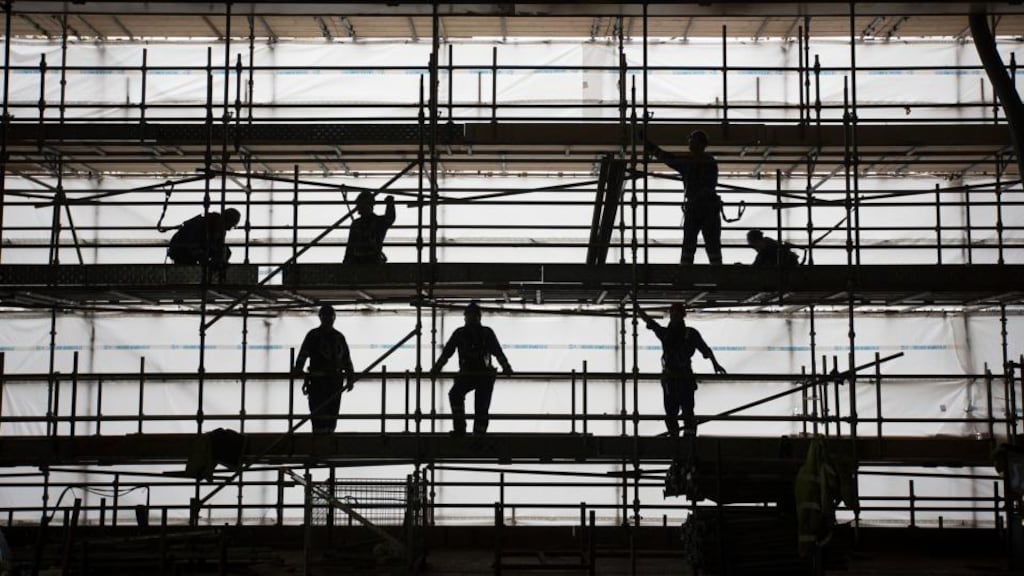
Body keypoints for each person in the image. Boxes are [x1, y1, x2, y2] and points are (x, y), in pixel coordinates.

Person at [638, 302, 726, 436]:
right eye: (673, 314)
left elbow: (705, 350)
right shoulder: (684, 333)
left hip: (677, 379)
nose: (674, 317)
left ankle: (683, 442)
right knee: (678, 413)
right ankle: (684, 443)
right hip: (679, 379)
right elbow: (706, 350)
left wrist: (715, 363)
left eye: (676, 314)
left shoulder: (676, 334)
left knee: (681, 413)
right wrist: (715, 363)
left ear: (681, 316)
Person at [432, 302, 513, 435]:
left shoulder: (466, 333)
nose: (471, 319)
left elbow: (497, 351)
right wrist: (506, 367)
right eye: (470, 316)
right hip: (480, 375)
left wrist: (436, 368)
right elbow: (448, 352)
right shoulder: (480, 333)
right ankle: (470, 432)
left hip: (477, 375)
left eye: (473, 316)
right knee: (465, 399)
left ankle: (470, 432)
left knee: (474, 403)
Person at [646, 130, 723, 265]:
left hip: (696, 207)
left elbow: (670, 159)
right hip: (707, 207)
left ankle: (686, 275)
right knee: (711, 245)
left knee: (690, 244)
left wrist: (653, 149)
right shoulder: (708, 162)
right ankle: (717, 276)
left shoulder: (691, 162)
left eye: (692, 139)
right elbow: (670, 159)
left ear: (700, 143)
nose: (689, 142)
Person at [294, 305, 355, 434]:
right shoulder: (316, 336)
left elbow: (346, 358)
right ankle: (321, 442)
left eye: (331, 316)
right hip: (320, 382)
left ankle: (325, 441)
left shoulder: (337, 337)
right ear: (320, 317)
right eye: (326, 316)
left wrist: (350, 376)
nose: (329, 319)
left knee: (330, 415)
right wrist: (298, 368)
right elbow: (303, 353)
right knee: (319, 415)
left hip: (331, 382)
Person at [167, 207, 240, 269]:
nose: (230, 229)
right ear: (226, 220)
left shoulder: (218, 227)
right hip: (181, 250)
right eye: (231, 225)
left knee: (225, 252)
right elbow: (191, 243)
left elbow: (219, 246)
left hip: (190, 247)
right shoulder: (203, 224)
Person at [344, 191, 396, 264]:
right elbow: (390, 218)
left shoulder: (356, 224)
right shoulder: (378, 222)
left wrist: (346, 262)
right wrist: (390, 203)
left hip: (359, 261)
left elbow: (350, 246)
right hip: (373, 260)